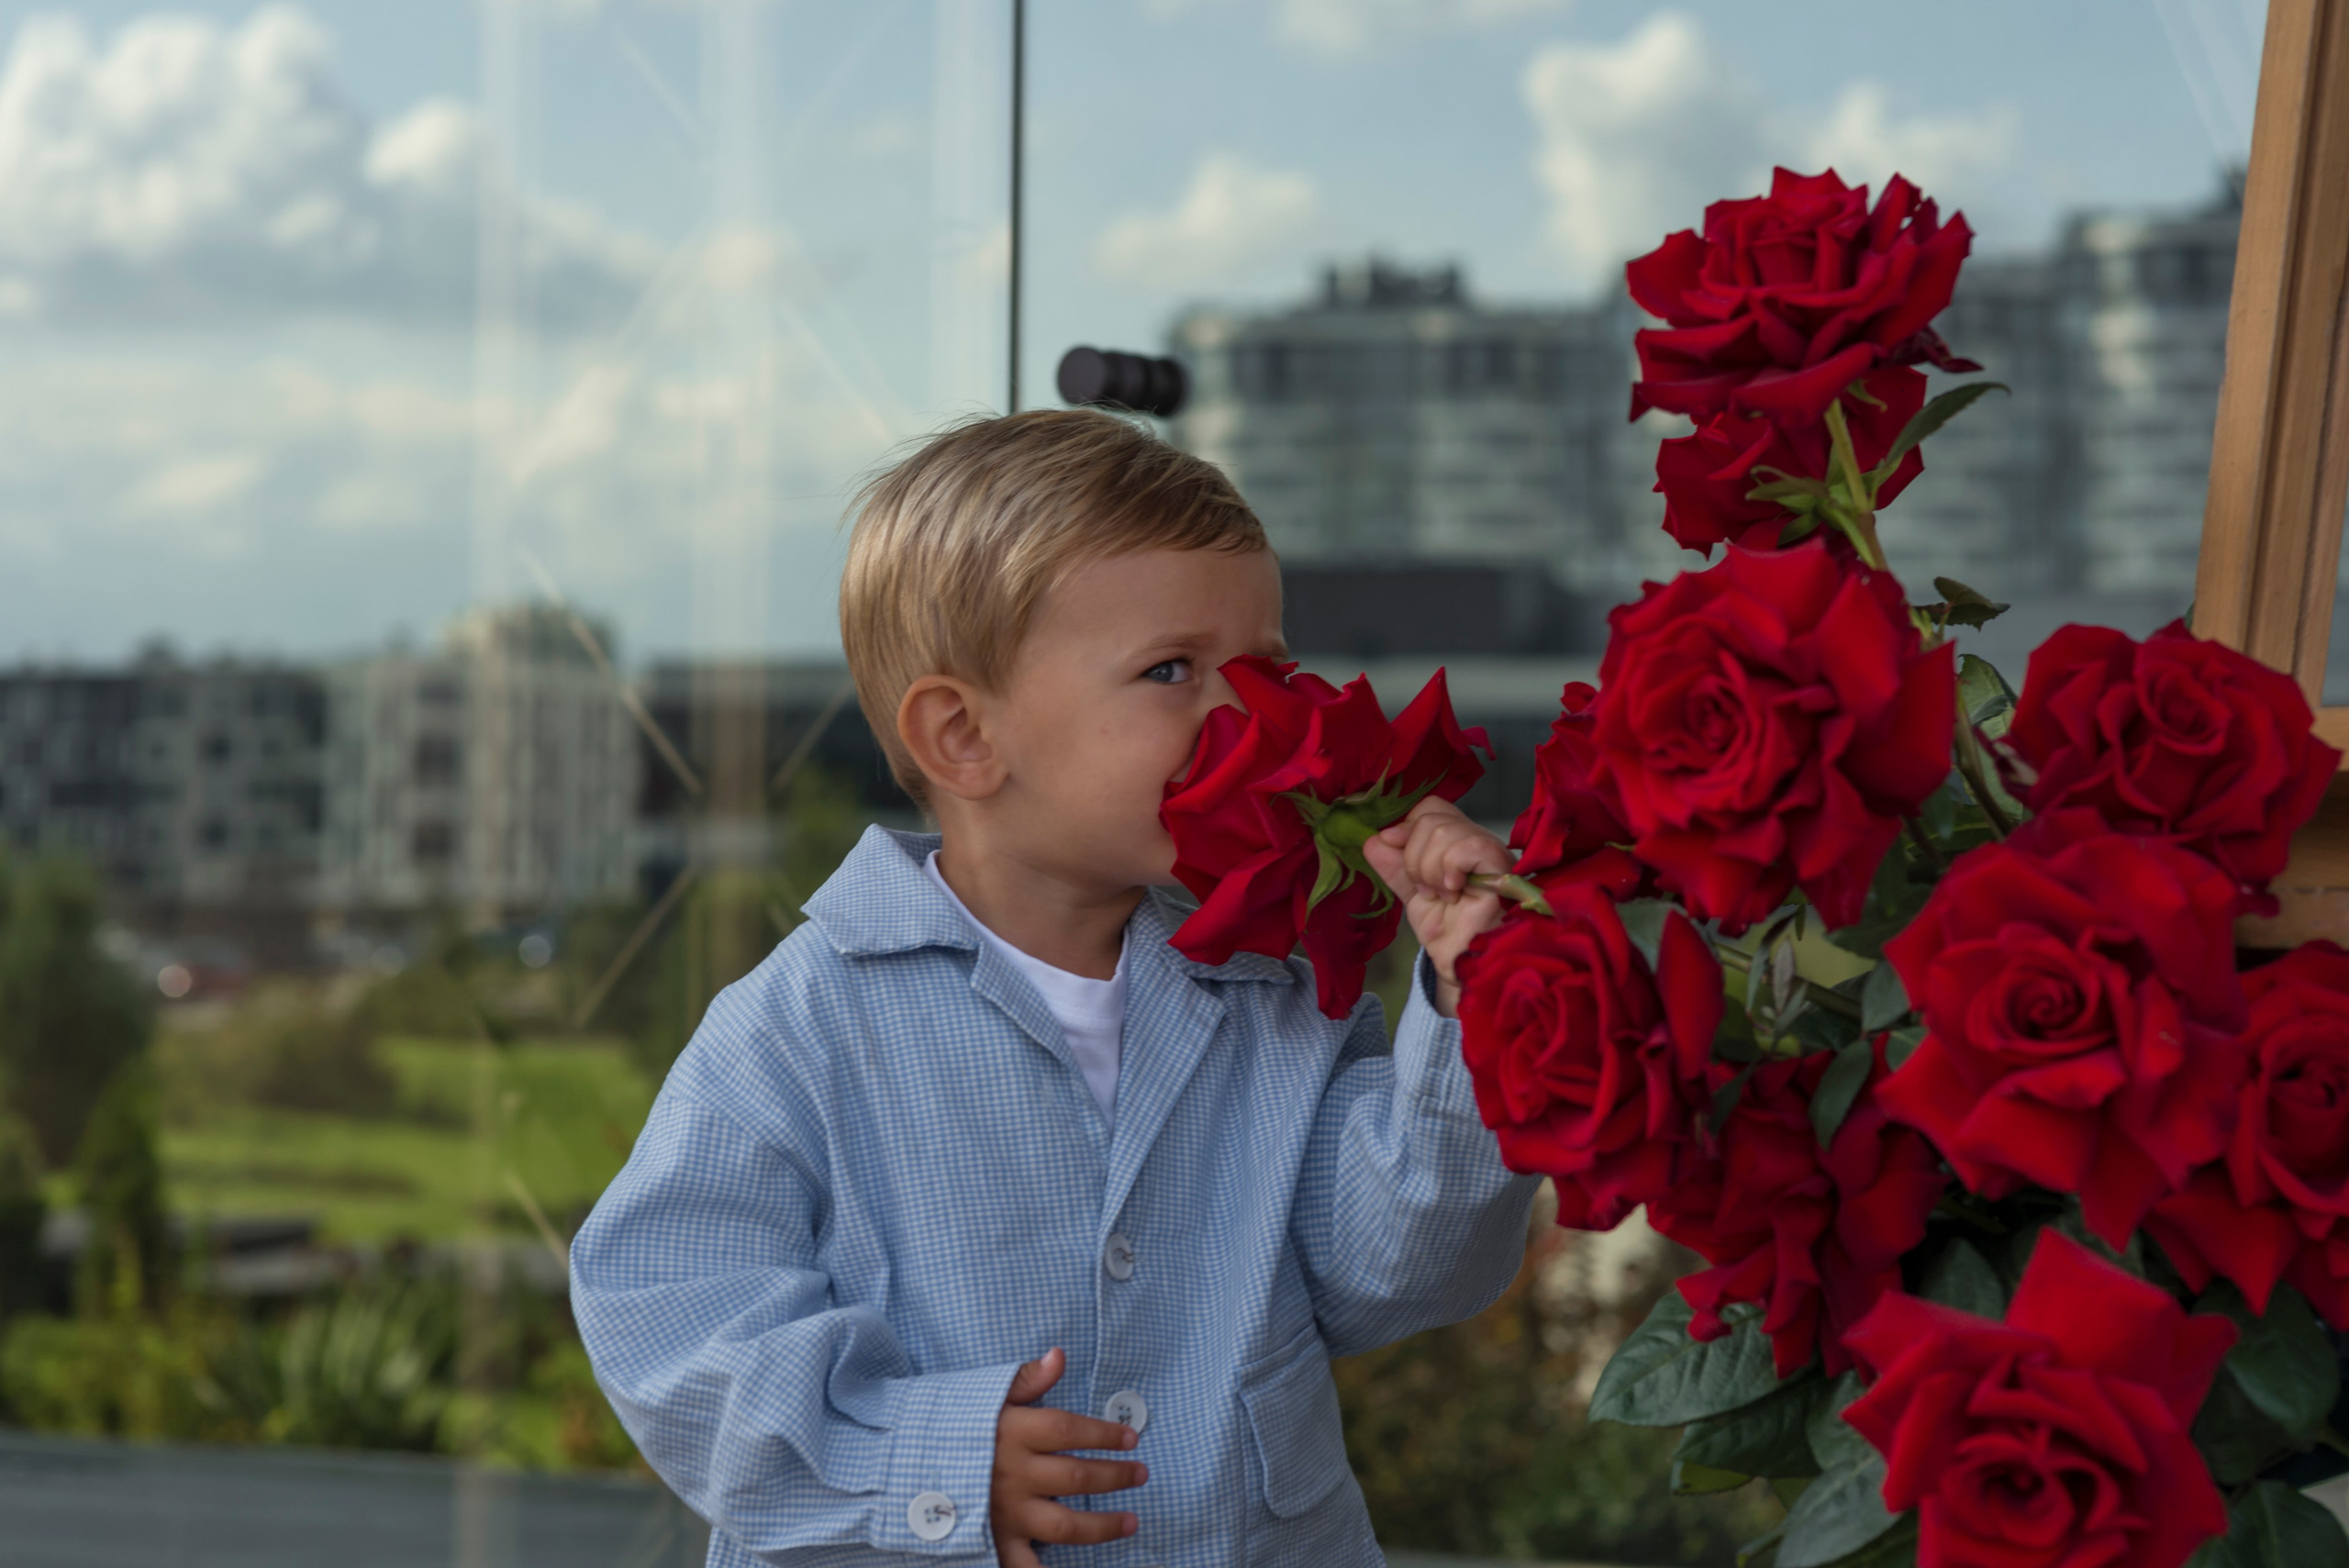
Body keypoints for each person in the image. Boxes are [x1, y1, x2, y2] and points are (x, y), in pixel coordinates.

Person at [570, 409, 1538, 1567]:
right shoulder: (799, 1026)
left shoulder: (1272, 984)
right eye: (1171, 670)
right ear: (965, 736)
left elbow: (1400, 1271)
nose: (1245, 714)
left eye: (1266, 669)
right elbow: (667, 1318)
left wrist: (1467, 991)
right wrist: (922, 1458)